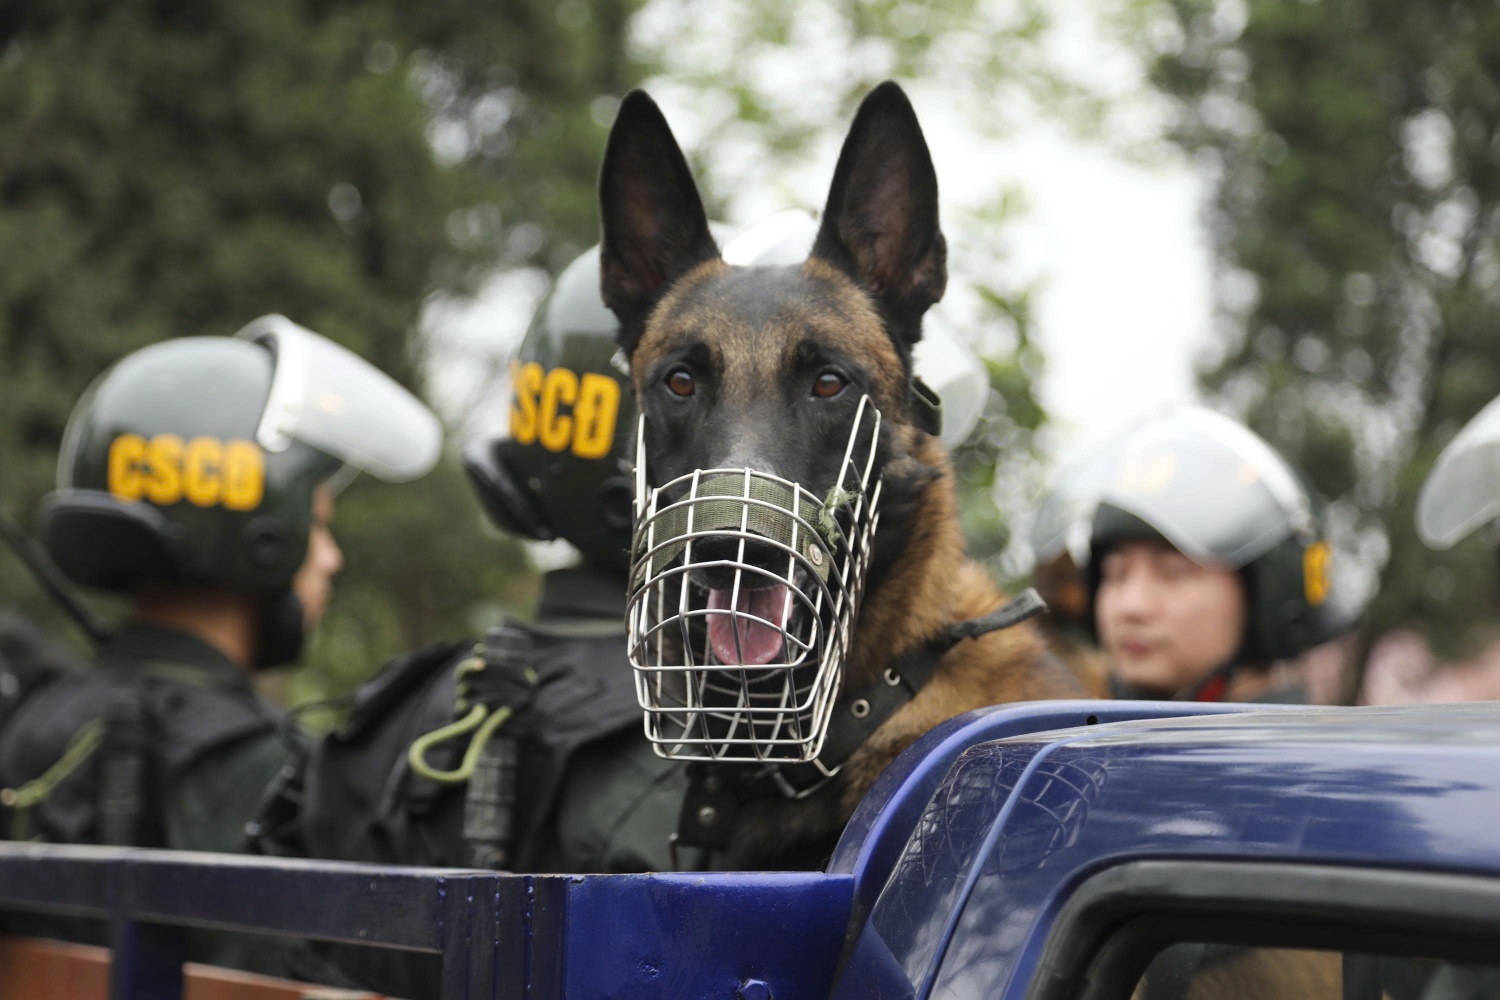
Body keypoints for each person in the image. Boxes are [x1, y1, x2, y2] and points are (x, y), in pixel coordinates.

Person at [0, 315, 440, 864]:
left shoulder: (33, 723)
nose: (332, 558)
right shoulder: (266, 777)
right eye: (320, 525)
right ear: (262, 537)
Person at [1084, 406, 1337, 703]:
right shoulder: (1075, 743)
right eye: (1115, 573)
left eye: (1172, 573)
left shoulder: (1303, 750)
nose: (1131, 606)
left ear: (1270, 598)